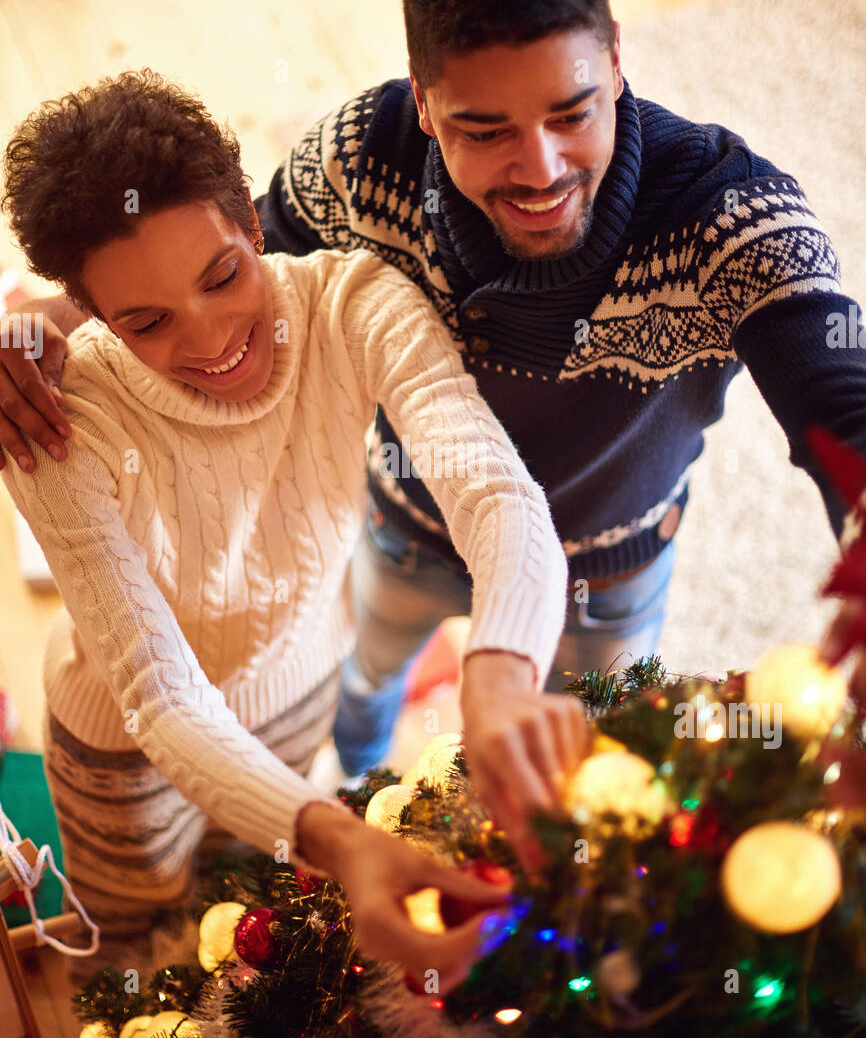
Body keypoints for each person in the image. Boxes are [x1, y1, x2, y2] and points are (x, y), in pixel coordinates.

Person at [7, 0, 866, 776]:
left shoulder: (732, 214)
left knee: (594, 760)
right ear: (421, 102)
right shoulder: (355, 158)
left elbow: (840, 401)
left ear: (615, 60)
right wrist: (53, 318)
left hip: (607, 574)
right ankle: (360, 769)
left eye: (571, 114)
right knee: (368, 685)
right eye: (482, 130)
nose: (540, 172)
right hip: (408, 526)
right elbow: (224, 258)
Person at [0, 70, 590, 988]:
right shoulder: (56, 414)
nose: (209, 340)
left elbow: (495, 494)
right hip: (117, 746)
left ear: (249, 213)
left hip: (300, 681)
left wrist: (504, 667)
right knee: (125, 950)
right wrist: (334, 837)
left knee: (252, 925)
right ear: (86, 309)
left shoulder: (356, 302)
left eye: (223, 274)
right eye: (146, 321)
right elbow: (158, 692)